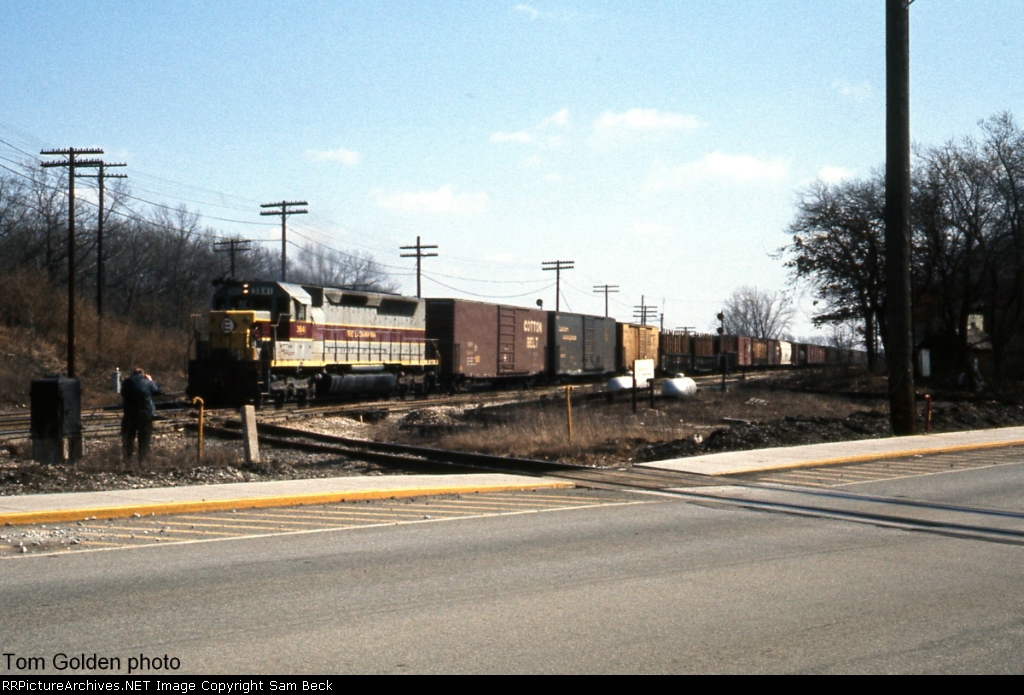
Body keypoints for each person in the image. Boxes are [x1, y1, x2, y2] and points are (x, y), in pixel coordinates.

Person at [121, 367, 161, 464]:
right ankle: (142, 461)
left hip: (130, 414)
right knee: (144, 439)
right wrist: (151, 381)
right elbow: (158, 391)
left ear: (132, 374)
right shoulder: (148, 382)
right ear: (143, 374)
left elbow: (122, 393)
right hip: (145, 414)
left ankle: (127, 460)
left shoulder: (127, 382)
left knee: (129, 438)